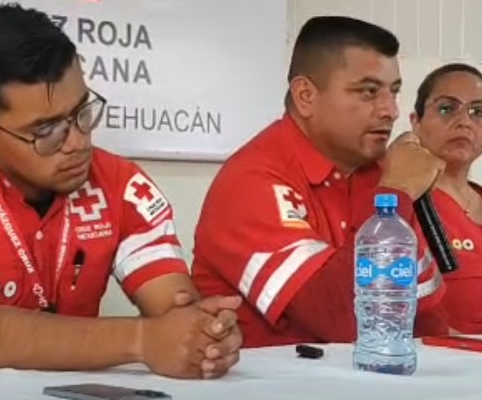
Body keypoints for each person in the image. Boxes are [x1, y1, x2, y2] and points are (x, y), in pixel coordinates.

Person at [0, 1, 241, 379]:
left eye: (82, 112)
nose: (78, 142)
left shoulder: (119, 183)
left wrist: (205, 333)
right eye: (47, 131)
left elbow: (173, 307)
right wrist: (141, 340)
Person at [191, 16, 448, 348]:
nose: (391, 111)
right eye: (368, 92)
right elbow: (338, 320)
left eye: (394, 91)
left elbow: (424, 316)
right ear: (305, 96)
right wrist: (396, 194)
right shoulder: (250, 181)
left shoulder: (383, 173)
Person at [409, 63, 482, 334]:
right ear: (416, 122)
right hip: (444, 357)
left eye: (478, 112)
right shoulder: (404, 209)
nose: (464, 122)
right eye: (447, 109)